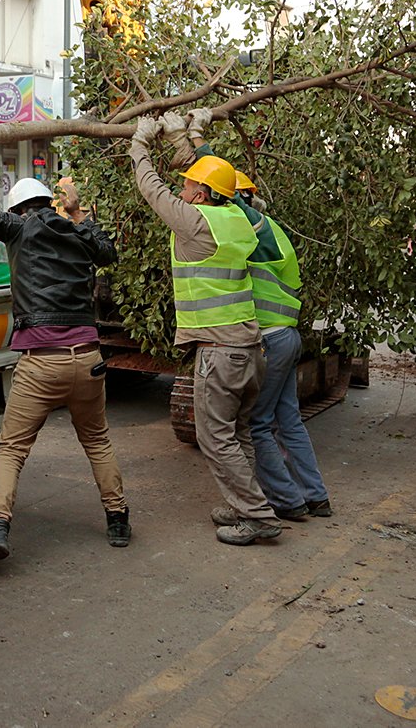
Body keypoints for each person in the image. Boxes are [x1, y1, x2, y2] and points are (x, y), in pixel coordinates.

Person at [0, 130, 127, 571]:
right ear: (50, 203)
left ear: (17, 210)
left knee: (12, 449)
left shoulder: (19, 228)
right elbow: (108, 252)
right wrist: (79, 212)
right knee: (98, 441)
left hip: (41, 363)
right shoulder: (78, 232)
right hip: (89, 359)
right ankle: (118, 520)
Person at [127, 112, 281, 548]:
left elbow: (151, 188)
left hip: (220, 351)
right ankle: (243, 504)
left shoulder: (195, 222)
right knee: (239, 433)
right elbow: (224, 183)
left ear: (201, 194)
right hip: (250, 350)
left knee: (213, 437)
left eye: (188, 185)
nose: (181, 190)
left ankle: (257, 516)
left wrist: (140, 143)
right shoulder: (240, 218)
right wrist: (188, 137)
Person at [170, 109, 331, 521]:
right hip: (287, 336)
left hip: (269, 340)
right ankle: (315, 496)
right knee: (287, 418)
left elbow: (219, 190)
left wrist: (196, 138)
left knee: (255, 424)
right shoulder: (269, 229)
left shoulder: (246, 223)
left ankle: (284, 502)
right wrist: (195, 139)